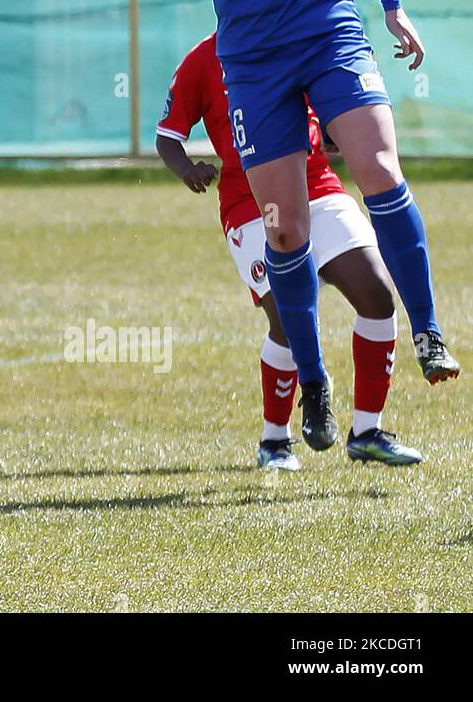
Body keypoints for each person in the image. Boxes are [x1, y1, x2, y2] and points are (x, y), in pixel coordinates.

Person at [110, 0, 459, 452]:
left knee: (382, 169)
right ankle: (318, 386)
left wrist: (392, 5)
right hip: (254, 63)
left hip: (330, 36)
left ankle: (427, 331)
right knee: (286, 232)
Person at [158, 32, 421, 469]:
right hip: (253, 204)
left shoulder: (304, 39)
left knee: (377, 294)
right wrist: (187, 168)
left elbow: (333, 113)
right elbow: (167, 135)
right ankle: (274, 441)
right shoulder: (204, 59)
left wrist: (338, 132)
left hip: (319, 188)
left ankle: (368, 431)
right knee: (286, 313)